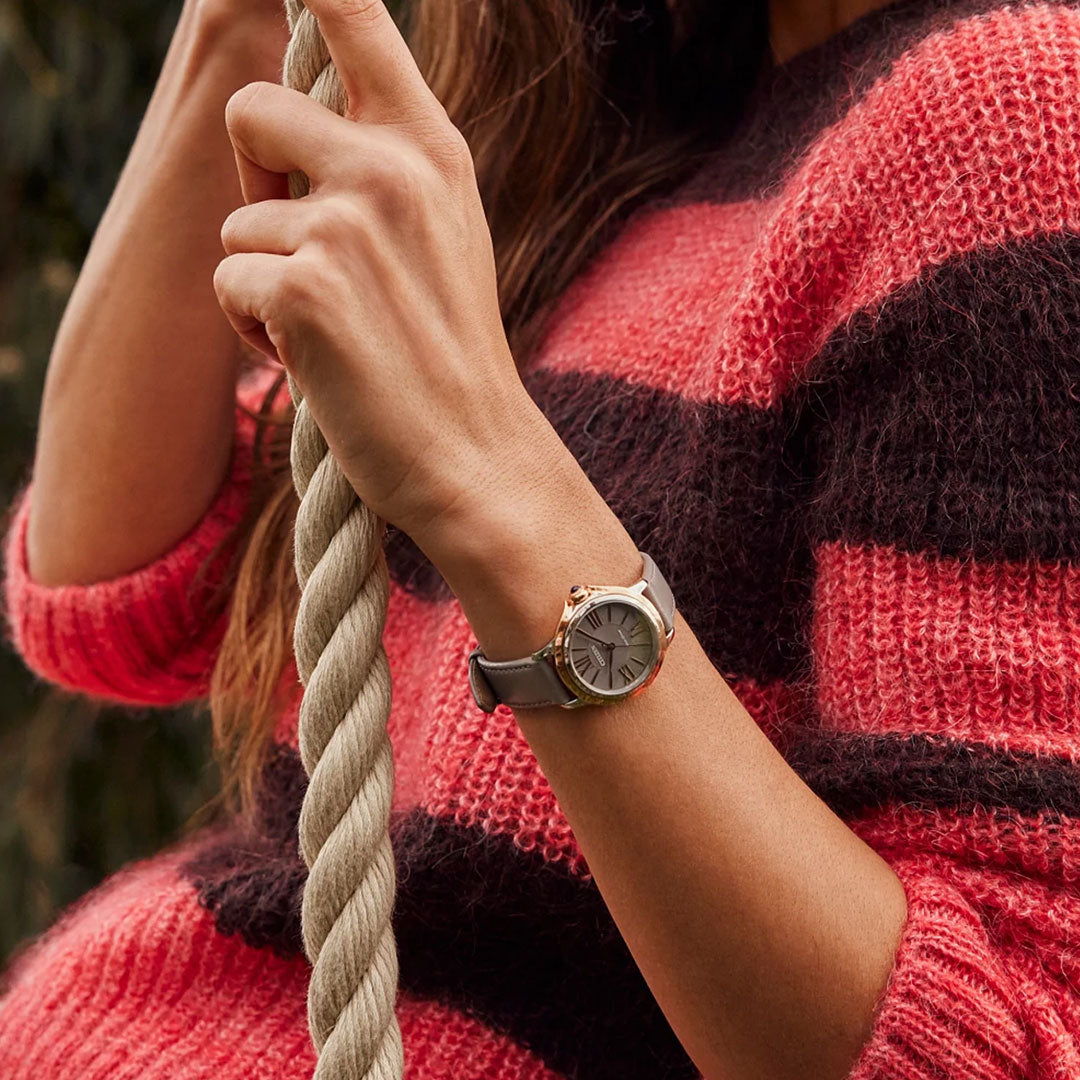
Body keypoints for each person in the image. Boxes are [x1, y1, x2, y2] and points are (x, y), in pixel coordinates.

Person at [2, 0, 1079, 1076]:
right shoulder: (626, 147)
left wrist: (486, 469)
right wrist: (241, 30)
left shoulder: (1006, 115)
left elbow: (999, 1044)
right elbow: (110, 591)